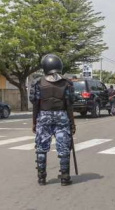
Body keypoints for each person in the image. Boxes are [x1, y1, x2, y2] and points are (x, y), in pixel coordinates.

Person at [29, 54, 76, 186]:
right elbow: (69, 105)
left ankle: (41, 177)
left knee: (41, 148)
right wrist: (72, 124)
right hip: (62, 117)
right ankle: (65, 177)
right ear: (59, 66)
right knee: (64, 148)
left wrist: (34, 122)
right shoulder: (67, 83)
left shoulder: (38, 82)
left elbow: (35, 104)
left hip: (43, 117)